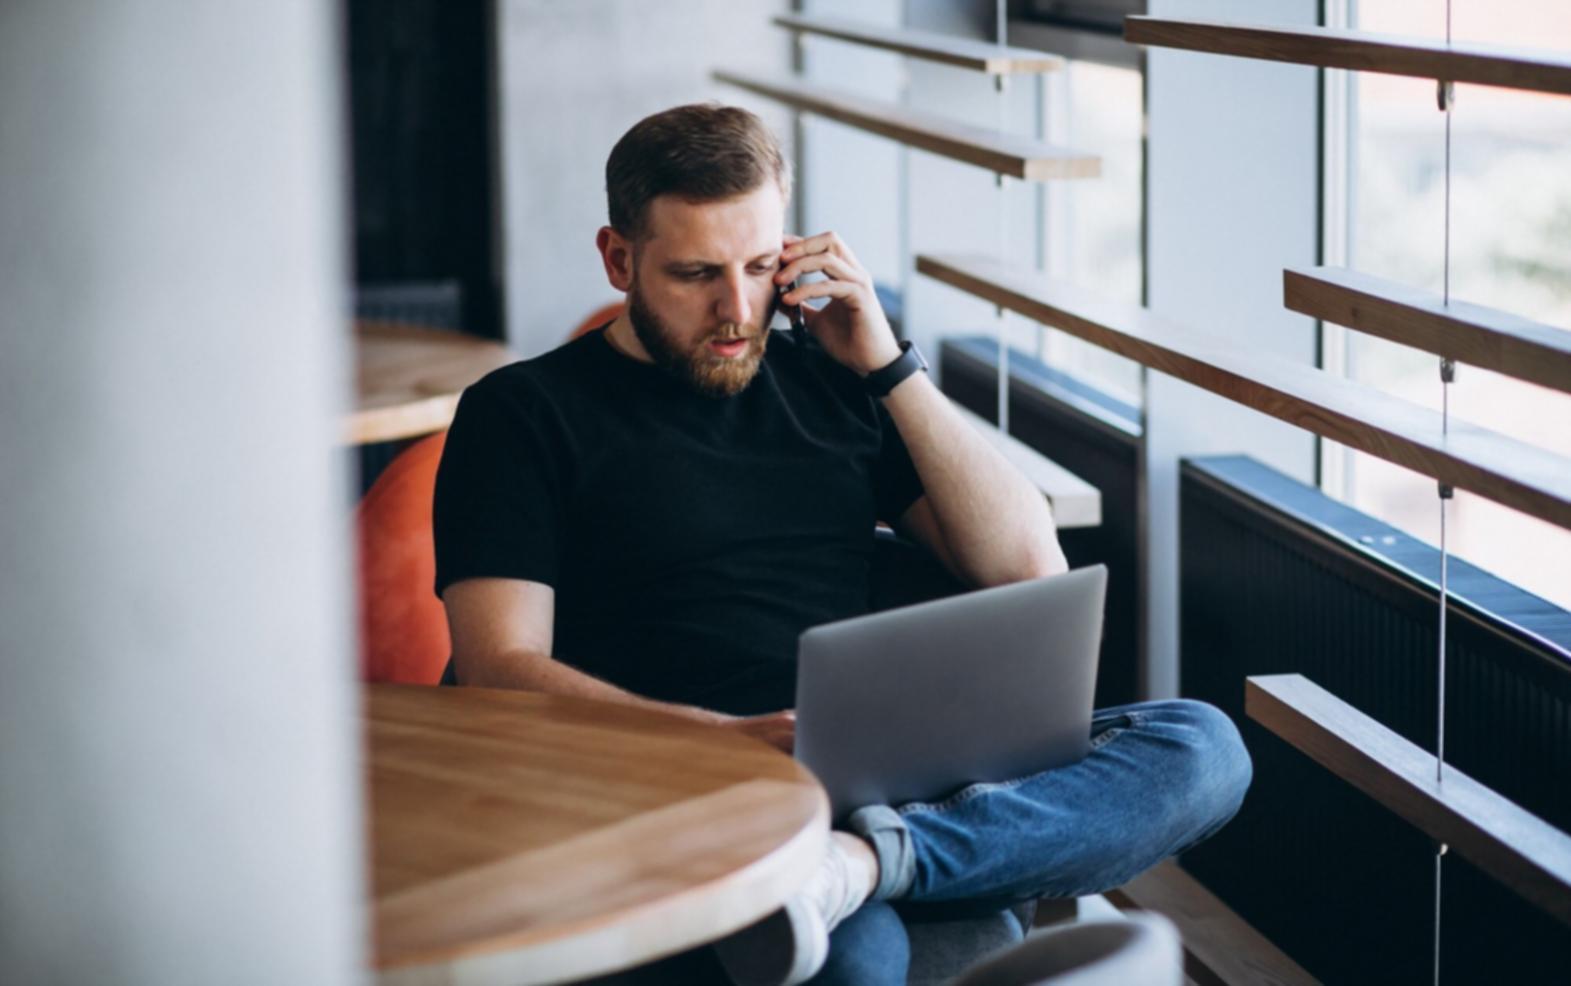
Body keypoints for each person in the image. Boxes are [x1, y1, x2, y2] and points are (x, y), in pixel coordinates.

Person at [432, 102, 1252, 986]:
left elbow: (1025, 566)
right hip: (683, 779)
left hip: (874, 778)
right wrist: (722, 736)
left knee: (1201, 747)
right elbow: (496, 666)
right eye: (697, 273)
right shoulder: (521, 414)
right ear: (619, 258)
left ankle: (862, 865)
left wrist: (889, 366)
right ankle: (884, 867)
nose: (737, 311)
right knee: (860, 962)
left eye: (758, 266)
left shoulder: (828, 382)